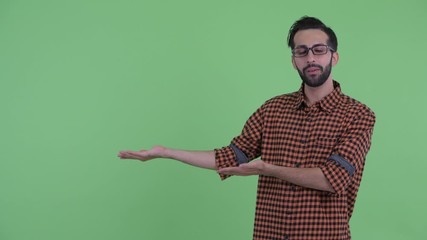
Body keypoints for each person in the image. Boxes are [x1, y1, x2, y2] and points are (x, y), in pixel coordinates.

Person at [118, 16, 376, 240]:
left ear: (334, 56)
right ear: (293, 61)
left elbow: (333, 179)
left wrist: (268, 169)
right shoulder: (272, 109)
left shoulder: (358, 115)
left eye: (319, 50)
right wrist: (166, 152)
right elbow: (231, 156)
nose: (310, 58)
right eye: (301, 51)